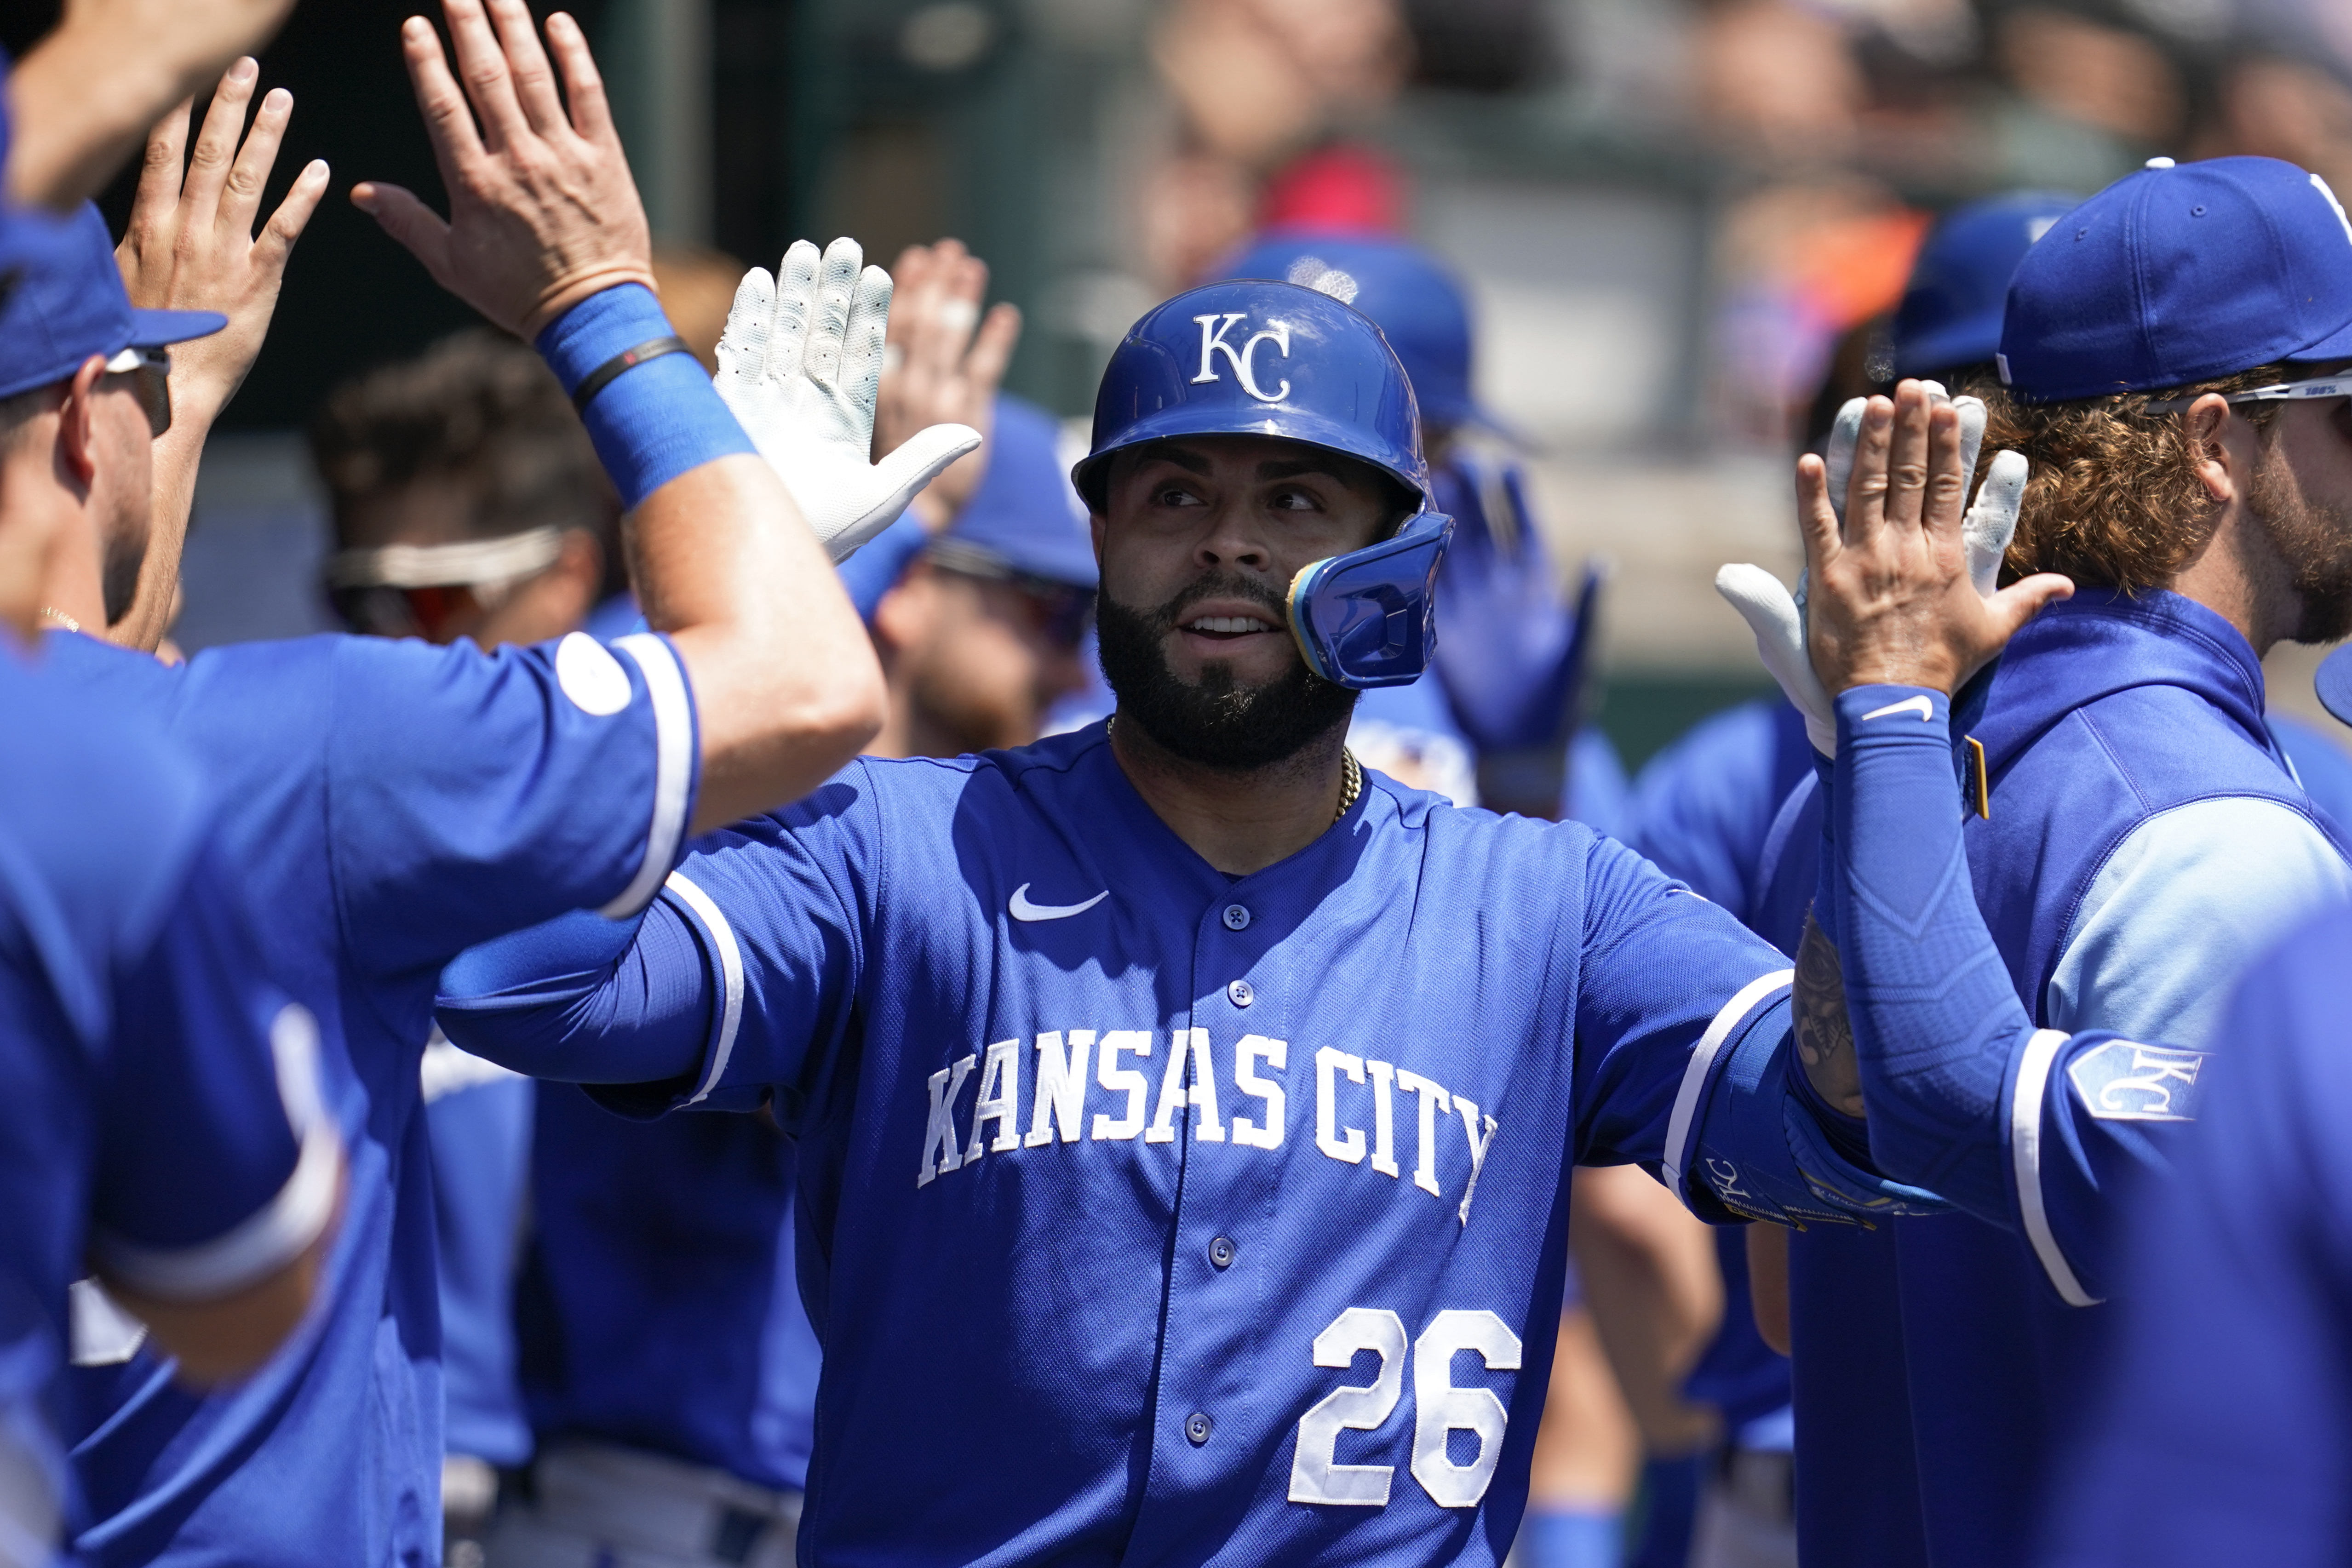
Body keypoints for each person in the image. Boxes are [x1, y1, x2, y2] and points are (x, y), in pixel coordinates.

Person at [432, 269, 1959, 1566]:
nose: (1228, 542)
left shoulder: (1548, 901)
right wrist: (717, 609)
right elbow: (519, 980)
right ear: (1098, 540)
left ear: (1395, 557)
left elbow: (1855, 1117)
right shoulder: (896, 848)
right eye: (1176, 493)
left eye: (1293, 496)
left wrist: (1882, 752)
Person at [10, 6, 958, 1562]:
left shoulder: (138, 755)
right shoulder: (292, 745)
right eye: (130, 389)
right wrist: (603, 311)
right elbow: (803, 683)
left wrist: (143, 430)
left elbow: (84, 682)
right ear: (68, 425)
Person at [1715, 156, 2352, 1568]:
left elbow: (1781, 1286)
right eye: (2346, 417)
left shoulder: (1864, 774)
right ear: (2211, 442)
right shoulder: (2219, 841)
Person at [1209, 231, 1625, 829]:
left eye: (1435, 448)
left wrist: (1523, 777)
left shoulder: (1490, 683)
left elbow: (1588, 912)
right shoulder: (1117, 658)